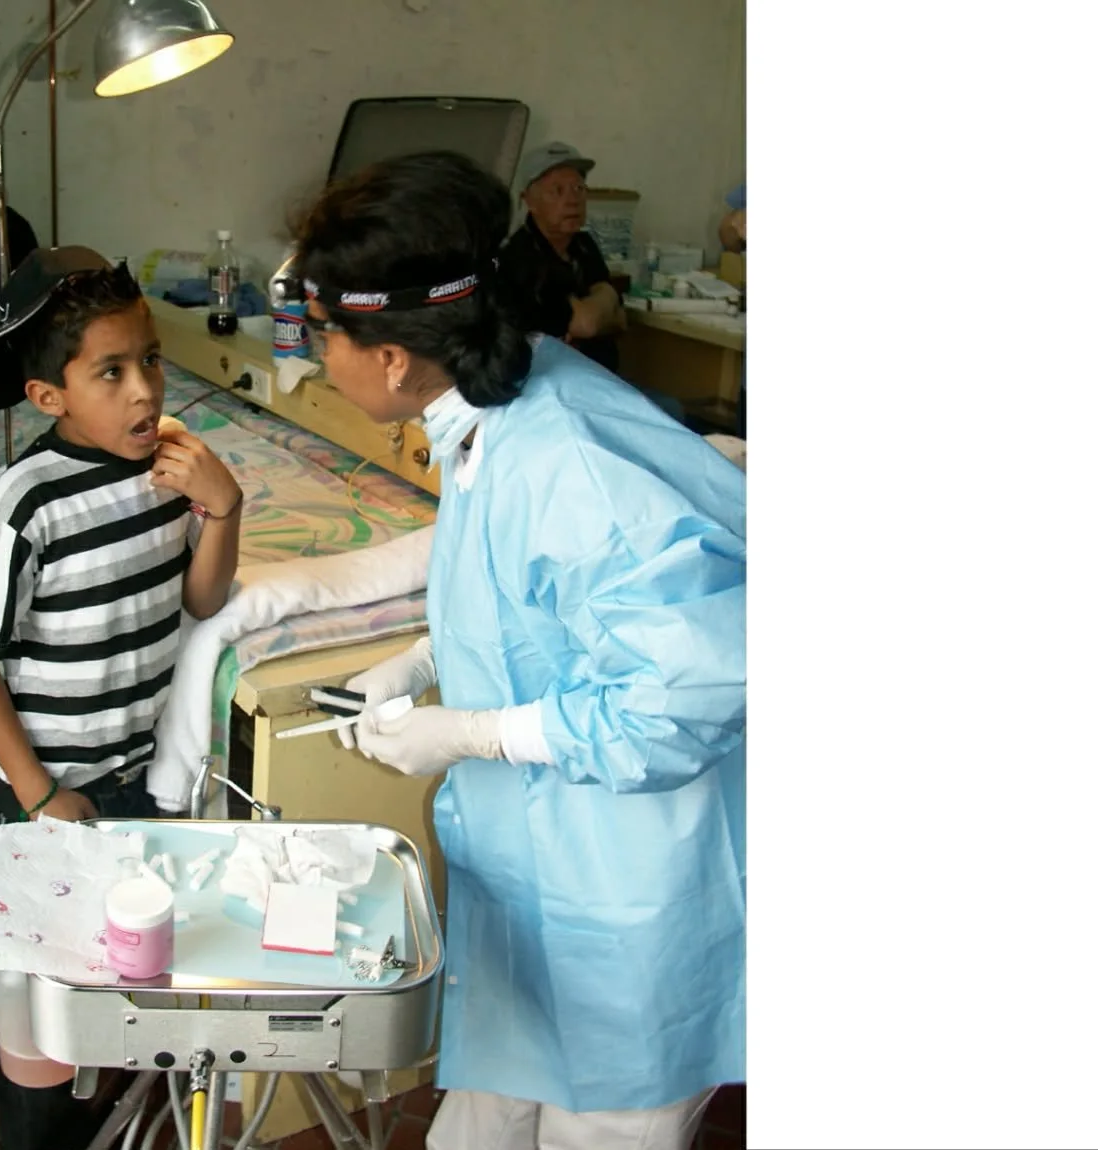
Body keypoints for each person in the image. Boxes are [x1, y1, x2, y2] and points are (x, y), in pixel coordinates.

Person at [291, 151, 745, 1150]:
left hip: (627, 888)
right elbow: (532, 596)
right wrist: (425, 661)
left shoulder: (559, 455)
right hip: (539, 869)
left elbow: (683, 694)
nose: (318, 356)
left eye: (323, 334)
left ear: (392, 357)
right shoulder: (494, 405)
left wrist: (472, 732)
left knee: (597, 1125)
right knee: (478, 1123)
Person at [0, 245, 244, 1147]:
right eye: (111, 372)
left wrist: (223, 509)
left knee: (51, 958)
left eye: (151, 359)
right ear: (49, 397)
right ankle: (28, 1117)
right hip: (38, 789)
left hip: (125, 775)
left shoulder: (171, 467)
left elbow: (200, 601)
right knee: (41, 998)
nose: (145, 390)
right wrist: (37, 793)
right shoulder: (24, 502)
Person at [496, 141, 627, 373]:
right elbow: (587, 325)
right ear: (529, 201)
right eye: (558, 191)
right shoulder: (519, 257)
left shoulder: (583, 245)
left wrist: (600, 305)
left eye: (578, 189)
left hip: (600, 376)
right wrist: (607, 296)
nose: (572, 200)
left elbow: (621, 321)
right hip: (553, 381)